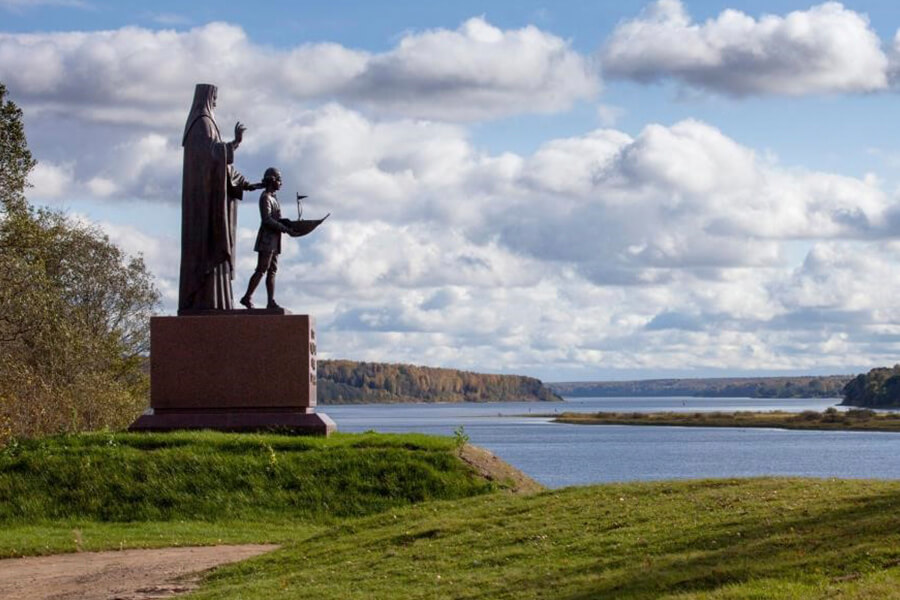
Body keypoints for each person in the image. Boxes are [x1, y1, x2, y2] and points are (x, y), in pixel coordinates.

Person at [178, 83, 263, 312]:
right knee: (208, 253)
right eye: (214, 98)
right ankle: (204, 302)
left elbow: (221, 166)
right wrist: (235, 143)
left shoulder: (207, 123)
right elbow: (213, 157)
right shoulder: (202, 123)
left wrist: (246, 183)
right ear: (206, 98)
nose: (215, 102)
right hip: (204, 209)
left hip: (211, 203)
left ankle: (217, 303)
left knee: (216, 260)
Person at [240, 167, 292, 310]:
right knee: (262, 269)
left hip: (275, 240)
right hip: (267, 240)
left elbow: (277, 218)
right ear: (272, 180)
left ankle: (270, 301)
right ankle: (247, 297)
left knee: (272, 270)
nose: (281, 183)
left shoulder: (274, 198)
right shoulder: (265, 198)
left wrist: (289, 224)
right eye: (279, 180)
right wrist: (284, 228)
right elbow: (267, 219)